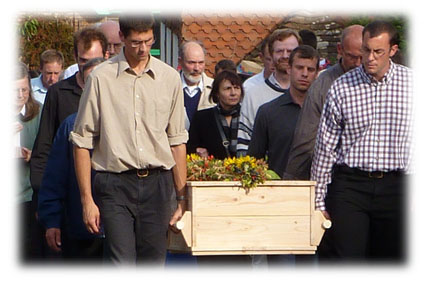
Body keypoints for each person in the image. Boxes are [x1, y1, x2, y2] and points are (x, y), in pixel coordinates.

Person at [70, 14, 188, 265]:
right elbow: (81, 142)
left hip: (158, 184)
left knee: (153, 264)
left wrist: (181, 197)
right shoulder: (100, 78)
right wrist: (87, 200)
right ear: (121, 38)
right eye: (135, 42)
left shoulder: (169, 79)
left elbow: (177, 140)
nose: (143, 48)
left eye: (147, 40)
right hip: (114, 184)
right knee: (120, 263)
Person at [311, 20, 412, 262]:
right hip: (351, 184)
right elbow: (326, 147)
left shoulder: (414, 85)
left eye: (378, 52)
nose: (370, 58)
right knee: (346, 259)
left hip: (398, 184)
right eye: (366, 50)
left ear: (393, 50)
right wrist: (317, 199)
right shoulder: (342, 87)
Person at [29, 28, 108, 259]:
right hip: (76, 213)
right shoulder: (61, 101)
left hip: (115, 220)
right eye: (83, 60)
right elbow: (48, 155)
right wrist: (48, 212)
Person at [284, 25, 364, 181]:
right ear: (340, 50)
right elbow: (305, 140)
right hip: (336, 180)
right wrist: (291, 180)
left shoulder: (380, 83)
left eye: (362, 57)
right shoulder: (322, 86)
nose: (358, 64)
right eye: (352, 57)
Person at [248, 45, 319, 179]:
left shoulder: (326, 112)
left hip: (319, 190)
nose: (304, 74)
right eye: (299, 68)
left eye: (310, 69)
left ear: (316, 74)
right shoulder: (268, 112)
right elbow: (254, 161)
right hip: (279, 191)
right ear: (289, 69)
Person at [237, 29, 301, 156]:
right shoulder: (253, 94)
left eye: (290, 51)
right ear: (271, 55)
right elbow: (244, 143)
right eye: (279, 51)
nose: (285, 56)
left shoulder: (312, 94)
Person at [15, 62, 42, 261]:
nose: (20, 95)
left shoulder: (39, 113)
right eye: (14, 90)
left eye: (24, 89)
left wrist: (32, 155)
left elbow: (47, 153)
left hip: (27, 197)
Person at [188, 70, 244, 159]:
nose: (233, 93)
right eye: (228, 88)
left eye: (237, 88)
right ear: (217, 93)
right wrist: (198, 152)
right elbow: (190, 148)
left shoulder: (247, 116)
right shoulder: (202, 118)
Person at [178, 40, 215, 130]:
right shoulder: (169, 87)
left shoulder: (215, 88)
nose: (197, 68)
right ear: (180, 61)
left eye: (201, 63)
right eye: (191, 63)